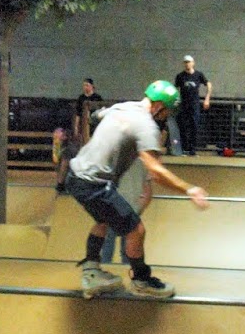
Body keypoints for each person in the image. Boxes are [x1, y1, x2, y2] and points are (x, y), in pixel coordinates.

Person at [61, 80, 209, 300]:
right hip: (95, 184)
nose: (165, 117)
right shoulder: (146, 125)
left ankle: (91, 271)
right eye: (166, 112)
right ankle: (141, 280)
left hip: (74, 176)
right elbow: (156, 171)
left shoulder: (123, 107)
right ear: (158, 106)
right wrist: (190, 190)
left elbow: (95, 116)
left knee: (103, 220)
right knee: (136, 231)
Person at [172, 54, 211, 156]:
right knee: (183, 126)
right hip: (183, 105)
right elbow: (175, 89)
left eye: (189, 62)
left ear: (193, 63)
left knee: (194, 126)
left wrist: (207, 98)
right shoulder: (180, 76)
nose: (187, 64)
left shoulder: (198, 75)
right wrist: (175, 100)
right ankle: (184, 148)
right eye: (185, 62)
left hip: (194, 105)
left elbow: (208, 84)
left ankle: (192, 149)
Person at [74, 77, 106, 144]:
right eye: (84, 85)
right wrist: (76, 127)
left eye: (87, 85)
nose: (85, 87)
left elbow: (102, 110)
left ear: (92, 86)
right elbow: (78, 113)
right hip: (84, 124)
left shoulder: (97, 98)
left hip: (95, 124)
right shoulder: (81, 98)